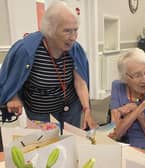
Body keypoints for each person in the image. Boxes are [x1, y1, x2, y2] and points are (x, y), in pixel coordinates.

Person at [0, 1, 97, 129]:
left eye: (75, 30)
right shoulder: (26, 50)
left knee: (70, 142)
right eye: (67, 31)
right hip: (39, 111)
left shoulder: (75, 49)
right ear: (50, 29)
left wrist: (86, 109)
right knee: (45, 145)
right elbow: (13, 79)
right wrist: (14, 97)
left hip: (70, 108)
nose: (73, 37)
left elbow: (80, 82)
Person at [108, 48, 145, 155]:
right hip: (121, 149)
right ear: (125, 77)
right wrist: (142, 106)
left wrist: (138, 113)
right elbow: (115, 133)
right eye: (137, 75)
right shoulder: (118, 86)